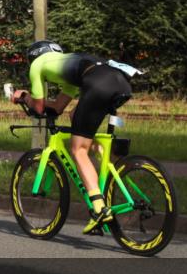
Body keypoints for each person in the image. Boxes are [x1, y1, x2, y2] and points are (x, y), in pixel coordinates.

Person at [10, 40, 133, 234]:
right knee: (76, 117)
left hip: (98, 83)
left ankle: (100, 209)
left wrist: (24, 96)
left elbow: (40, 107)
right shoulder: (69, 67)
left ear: (34, 56)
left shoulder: (37, 65)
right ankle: (114, 168)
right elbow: (58, 107)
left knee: (78, 150)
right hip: (120, 81)